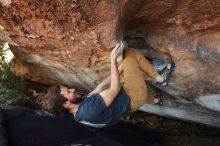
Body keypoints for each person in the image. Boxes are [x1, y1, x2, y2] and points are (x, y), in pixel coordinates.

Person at [44, 42, 175, 128]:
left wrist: (121, 68)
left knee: (126, 71)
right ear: (66, 104)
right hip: (134, 96)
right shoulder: (88, 110)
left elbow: (101, 86)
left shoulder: (79, 111)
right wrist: (113, 60)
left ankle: (156, 99)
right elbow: (114, 88)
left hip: (128, 103)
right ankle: (161, 78)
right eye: (68, 91)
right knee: (130, 54)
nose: (72, 89)